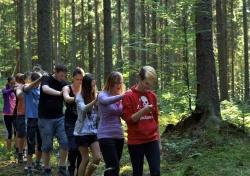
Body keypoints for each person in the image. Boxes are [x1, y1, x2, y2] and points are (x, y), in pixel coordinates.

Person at [122, 66, 161, 176]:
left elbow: (156, 120)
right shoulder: (129, 95)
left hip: (152, 139)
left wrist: (159, 142)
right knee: (138, 172)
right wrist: (144, 110)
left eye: (150, 84)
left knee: (156, 171)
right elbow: (129, 120)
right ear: (140, 78)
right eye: (146, 83)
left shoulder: (152, 96)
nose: (148, 87)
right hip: (136, 141)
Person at [38, 64, 68, 176]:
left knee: (65, 142)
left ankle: (62, 167)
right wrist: (60, 93)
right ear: (55, 72)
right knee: (47, 146)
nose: (62, 78)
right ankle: (46, 169)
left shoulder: (63, 83)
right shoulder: (46, 78)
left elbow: (68, 91)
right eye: (61, 75)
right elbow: (45, 89)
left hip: (60, 118)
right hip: (45, 119)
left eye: (64, 76)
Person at [97, 71, 125, 176]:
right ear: (110, 83)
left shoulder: (120, 96)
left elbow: (124, 114)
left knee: (113, 167)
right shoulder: (102, 95)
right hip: (105, 135)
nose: (119, 85)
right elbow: (106, 101)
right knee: (114, 166)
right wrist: (122, 96)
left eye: (120, 82)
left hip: (119, 135)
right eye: (116, 82)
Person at [74, 73, 101, 176]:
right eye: (92, 85)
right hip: (81, 133)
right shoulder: (79, 96)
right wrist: (95, 101)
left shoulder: (95, 95)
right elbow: (84, 108)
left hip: (93, 132)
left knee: (97, 158)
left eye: (94, 85)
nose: (94, 87)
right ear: (86, 85)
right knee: (85, 159)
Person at [63, 67, 84, 176]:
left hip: (82, 123)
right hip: (70, 122)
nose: (79, 82)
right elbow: (66, 98)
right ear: (73, 78)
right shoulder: (67, 88)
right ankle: (71, 167)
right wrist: (78, 97)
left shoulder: (85, 88)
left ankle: (79, 172)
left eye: (81, 79)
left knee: (82, 149)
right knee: (73, 147)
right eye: (77, 79)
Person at [23, 72, 43, 176]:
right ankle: (29, 166)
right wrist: (38, 80)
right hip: (31, 119)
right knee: (30, 143)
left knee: (41, 143)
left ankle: (38, 163)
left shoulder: (41, 89)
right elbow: (26, 89)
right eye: (39, 81)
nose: (40, 83)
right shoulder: (27, 87)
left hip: (41, 119)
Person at [2, 76, 16, 151]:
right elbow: (5, 92)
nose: (13, 83)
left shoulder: (14, 91)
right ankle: (9, 150)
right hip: (7, 114)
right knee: (10, 132)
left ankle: (16, 148)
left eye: (14, 82)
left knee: (16, 131)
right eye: (12, 82)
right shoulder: (5, 90)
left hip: (15, 114)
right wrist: (11, 88)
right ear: (8, 82)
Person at [15, 73, 27, 163]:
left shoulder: (31, 85)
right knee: (21, 134)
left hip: (31, 114)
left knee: (27, 134)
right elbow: (19, 94)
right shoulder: (19, 86)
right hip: (21, 113)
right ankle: (20, 153)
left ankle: (25, 151)